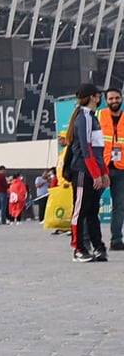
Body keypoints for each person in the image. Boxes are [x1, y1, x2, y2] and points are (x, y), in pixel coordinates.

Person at [68, 83, 108, 263]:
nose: (101, 98)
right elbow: (86, 149)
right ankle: (78, 248)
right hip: (83, 171)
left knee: (92, 211)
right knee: (80, 210)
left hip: (93, 170)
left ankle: (97, 246)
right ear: (93, 97)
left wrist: (103, 172)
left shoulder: (92, 117)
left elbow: (99, 150)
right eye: (98, 95)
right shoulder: (84, 118)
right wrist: (97, 173)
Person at [98, 87, 124, 249]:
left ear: (121, 99)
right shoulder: (99, 116)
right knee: (92, 204)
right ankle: (88, 238)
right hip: (102, 167)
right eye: (111, 99)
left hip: (121, 169)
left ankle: (116, 240)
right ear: (106, 101)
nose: (114, 101)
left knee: (120, 206)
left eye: (117, 98)